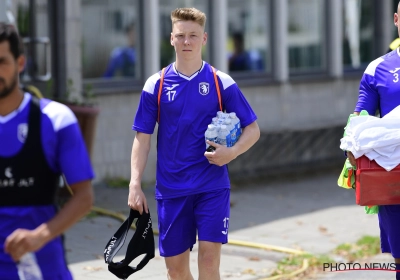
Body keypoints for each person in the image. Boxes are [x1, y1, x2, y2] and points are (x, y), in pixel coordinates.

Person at [128, 7, 260, 280]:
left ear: (204, 39)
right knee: (176, 272)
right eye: (181, 35)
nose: (187, 41)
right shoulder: (157, 84)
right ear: (171, 39)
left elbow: (253, 129)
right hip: (172, 188)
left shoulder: (221, 81)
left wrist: (232, 152)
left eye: (193, 35)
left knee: (209, 263)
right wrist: (135, 184)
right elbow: (142, 138)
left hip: (211, 185)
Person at [0, 23, 94, 279]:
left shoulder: (54, 119)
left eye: (2, 62)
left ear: (20, 63)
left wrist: (39, 236)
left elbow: (84, 197)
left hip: (40, 265)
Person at [347, 3, 400, 279]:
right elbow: (361, 115)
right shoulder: (378, 68)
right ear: (396, 19)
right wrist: (351, 144)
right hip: (393, 174)